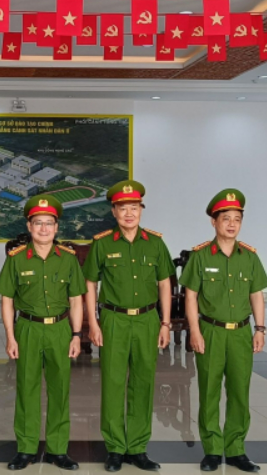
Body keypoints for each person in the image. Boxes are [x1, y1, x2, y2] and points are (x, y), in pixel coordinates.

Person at [83, 180, 175, 472]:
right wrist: (93, 322)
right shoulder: (102, 243)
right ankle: (114, 448)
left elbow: (165, 284)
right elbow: (90, 284)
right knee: (112, 383)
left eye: (134, 208)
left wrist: (165, 323)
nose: (129, 214)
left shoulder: (155, 243)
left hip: (148, 319)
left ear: (141, 210)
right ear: (114, 211)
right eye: (123, 208)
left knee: (143, 382)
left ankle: (137, 447)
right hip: (114, 319)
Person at [180, 189, 267, 472]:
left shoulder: (249, 257)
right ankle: (212, 450)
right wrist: (194, 331)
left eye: (237, 219)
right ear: (214, 221)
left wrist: (260, 329)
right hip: (211, 331)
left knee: (240, 391)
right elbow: (191, 297)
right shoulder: (200, 256)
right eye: (226, 218)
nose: (232, 224)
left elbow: (256, 294)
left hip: (241, 332)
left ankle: (236, 450)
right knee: (209, 391)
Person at [0, 194, 85, 471]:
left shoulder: (68, 259)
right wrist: (10, 336)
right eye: (38, 223)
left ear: (56, 227)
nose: (43, 228)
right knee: (27, 389)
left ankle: (58, 450)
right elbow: (7, 300)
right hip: (28, 329)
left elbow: (76, 300)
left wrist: (76, 335)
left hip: (60, 329)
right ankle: (26, 449)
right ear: (29, 226)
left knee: (60, 390)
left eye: (49, 223)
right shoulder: (17, 259)